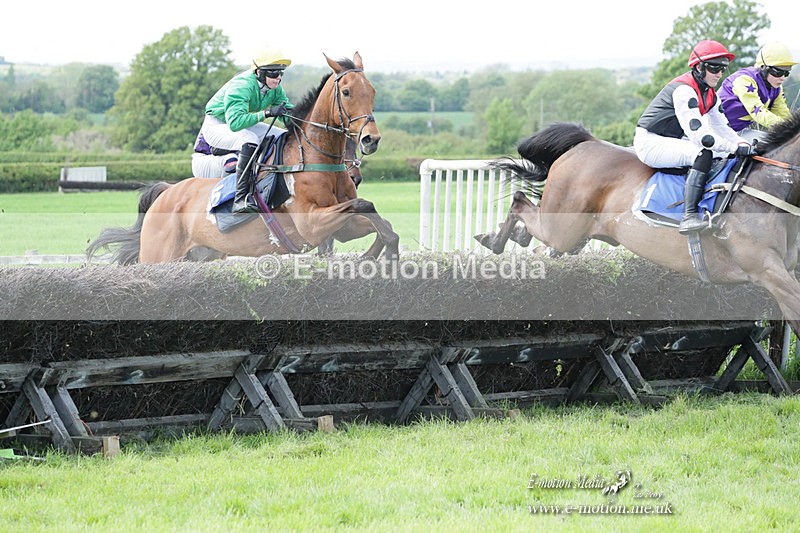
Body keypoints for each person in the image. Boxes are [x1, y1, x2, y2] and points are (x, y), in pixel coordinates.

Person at [634, 40, 755, 234]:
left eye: (723, 69)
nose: (719, 74)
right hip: (650, 142)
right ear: (699, 67)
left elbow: (721, 127)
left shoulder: (710, 94)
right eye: (714, 68)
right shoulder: (684, 90)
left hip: (671, 140)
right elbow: (701, 137)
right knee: (702, 153)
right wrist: (732, 147)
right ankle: (689, 217)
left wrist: (742, 143)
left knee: (724, 155)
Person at [192, 47, 294, 213]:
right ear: (259, 72)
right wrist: (267, 113)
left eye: (281, 73)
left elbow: (288, 115)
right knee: (249, 139)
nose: (279, 77)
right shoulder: (242, 85)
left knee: (282, 135)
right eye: (274, 73)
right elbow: (235, 123)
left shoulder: (275, 89)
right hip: (217, 125)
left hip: (240, 123)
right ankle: (240, 199)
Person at [719, 41, 796, 143]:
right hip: (715, 130)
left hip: (737, 131)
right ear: (763, 68)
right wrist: (790, 128)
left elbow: (784, 115)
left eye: (786, 73)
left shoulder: (776, 88)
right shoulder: (744, 80)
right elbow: (759, 113)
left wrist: (795, 128)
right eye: (778, 72)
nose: (782, 78)